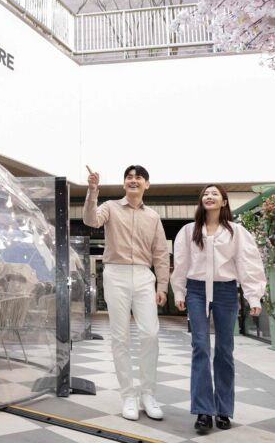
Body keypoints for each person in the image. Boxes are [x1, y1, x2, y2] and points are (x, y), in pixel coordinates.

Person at [171, 184, 266, 433]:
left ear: (224, 202)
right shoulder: (188, 231)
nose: (209, 196)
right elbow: (181, 263)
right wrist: (179, 291)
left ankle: (223, 409)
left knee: (225, 350)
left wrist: (253, 296)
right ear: (201, 201)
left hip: (226, 291)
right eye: (205, 193)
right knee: (200, 346)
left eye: (215, 193)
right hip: (197, 290)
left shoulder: (237, 232)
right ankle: (203, 411)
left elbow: (248, 263)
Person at [84, 165, 169, 421]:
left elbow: (160, 253)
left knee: (150, 334)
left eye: (138, 178)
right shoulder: (110, 207)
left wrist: (162, 286)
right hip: (116, 273)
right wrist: (92, 191)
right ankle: (128, 395)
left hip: (144, 275)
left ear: (147, 185)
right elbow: (90, 220)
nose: (133, 181)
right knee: (120, 337)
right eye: (129, 178)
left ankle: (148, 394)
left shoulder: (153, 217)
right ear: (124, 184)